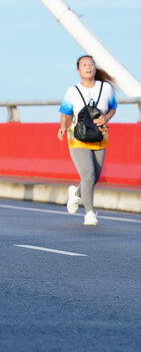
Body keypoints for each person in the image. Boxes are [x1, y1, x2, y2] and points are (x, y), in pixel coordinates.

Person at [58, 54, 117, 226]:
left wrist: (106, 118)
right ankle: (89, 213)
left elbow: (113, 108)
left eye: (91, 64)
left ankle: (76, 193)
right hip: (78, 137)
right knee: (88, 175)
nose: (88, 67)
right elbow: (65, 113)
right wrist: (63, 126)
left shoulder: (106, 88)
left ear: (95, 68)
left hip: (100, 136)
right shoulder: (72, 91)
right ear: (78, 70)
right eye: (84, 65)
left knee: (94, 177)